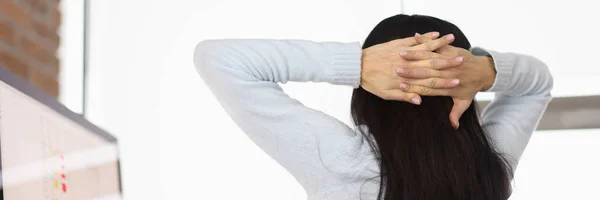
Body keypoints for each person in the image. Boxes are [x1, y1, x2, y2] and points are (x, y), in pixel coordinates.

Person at [194, 14, 553, 200]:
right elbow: (538, 83)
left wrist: (358, 65)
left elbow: (220, 59)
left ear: (366, 91)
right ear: (464, 86)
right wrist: (487, 70)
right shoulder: (488, 162)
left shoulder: (340, 160)